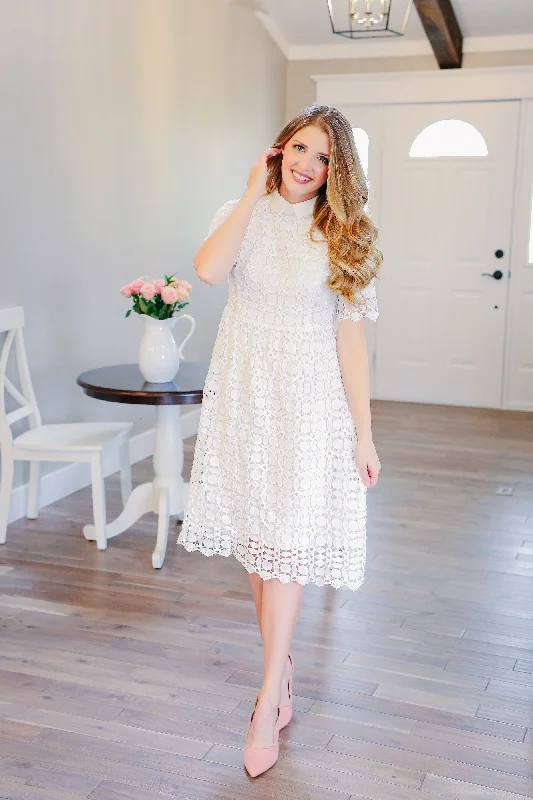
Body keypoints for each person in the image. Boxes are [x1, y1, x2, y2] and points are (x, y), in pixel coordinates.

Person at [177, 104, 382, 777]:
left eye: (322, 157)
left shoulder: (342, 235)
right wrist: (247, 192)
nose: (305, 164)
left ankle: (266, 700)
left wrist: (363, 433)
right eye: (298, 148)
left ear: (335, 172)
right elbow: (208, 271)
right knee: (260, 552)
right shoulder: (242, 212)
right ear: (277, 149)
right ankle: (282, 666)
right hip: (244, 397)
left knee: (286, 550)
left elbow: (350, 340)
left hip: (307, 403)